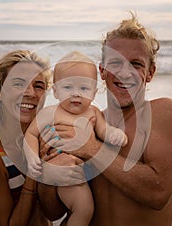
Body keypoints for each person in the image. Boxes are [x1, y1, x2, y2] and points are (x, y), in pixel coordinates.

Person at [38, 12, 172, 226]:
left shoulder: (165, 113)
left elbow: (158, 191)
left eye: (136, 64)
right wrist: (48, 172)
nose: (124, 72)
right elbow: (54, 211)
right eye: (115, 62)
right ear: (102, 70)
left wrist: (91, 148)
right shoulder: (88, 123)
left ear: (150, 72)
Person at [23, 51, 128, 226]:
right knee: (84, 209)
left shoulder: (93, 112)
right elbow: (31, 134)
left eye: (84, 88)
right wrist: (32, 156)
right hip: (60, 171)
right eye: (68, 87)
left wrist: (115, 134)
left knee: (84, 210)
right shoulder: (50, 113)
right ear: (55, 91)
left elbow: (104, 130)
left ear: (94, 93)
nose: (76, 94)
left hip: (76, 174)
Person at [0, 50, 55, 226]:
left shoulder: (45, 140)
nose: (29, 93)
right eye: (19, 84)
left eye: (38, 86)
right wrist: (33, 173)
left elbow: (54, 211)